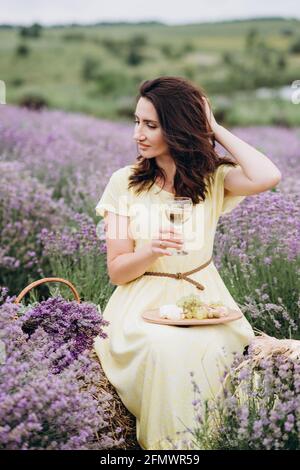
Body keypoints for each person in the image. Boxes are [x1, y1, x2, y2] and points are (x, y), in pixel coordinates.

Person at [93, 76, 282, 450]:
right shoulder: (124, 183)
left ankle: (211, 441)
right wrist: (149, 252)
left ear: (178, 128)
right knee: (167, 349)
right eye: (136, 122)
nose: (138, 134)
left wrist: (213, 127)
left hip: (204, 295)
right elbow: (117, 270)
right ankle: (173, 449)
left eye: (150, 125)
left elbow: (268, 176)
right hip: (140, 299)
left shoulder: (212, 179)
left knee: (216, 350)